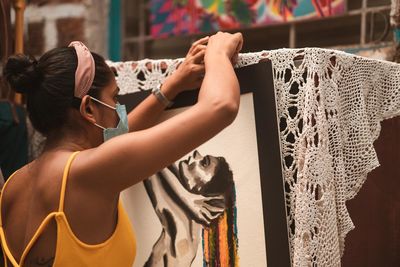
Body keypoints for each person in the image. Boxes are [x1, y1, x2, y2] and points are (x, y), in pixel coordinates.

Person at [0, 31, 243, 267]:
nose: (119, 108)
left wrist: (169, 89)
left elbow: (120, 138)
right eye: (114, 98)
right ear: (88, 109)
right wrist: (218, 52)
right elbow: (221, 106)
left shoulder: (13, 186)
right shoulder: (88, 173)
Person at [143, 150, 233, 267]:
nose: (196, 153)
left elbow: (149, 156)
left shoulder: (183, 246)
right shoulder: (184, 224)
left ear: (209, 203)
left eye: (204, 163)